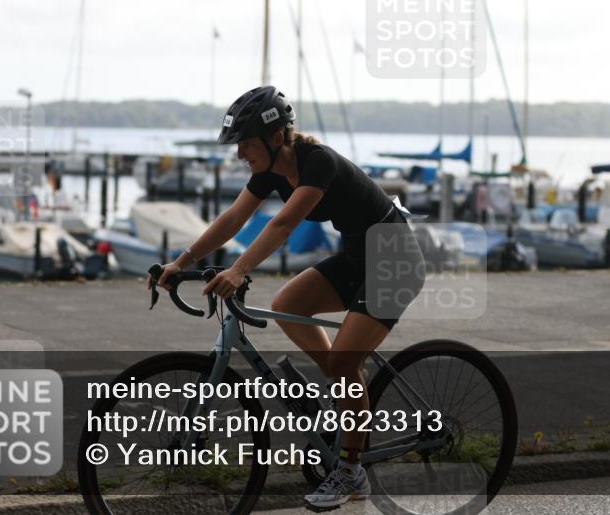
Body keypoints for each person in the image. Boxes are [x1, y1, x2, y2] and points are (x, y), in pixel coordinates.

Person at [149, 85, 425, 510]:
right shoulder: (271, 171)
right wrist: (181, 261)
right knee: (286, 306)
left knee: (343, 364)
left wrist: (239, 269)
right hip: (358, 258)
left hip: (396, 262)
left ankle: (352, 472)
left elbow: (283, 226)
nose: (239, 152)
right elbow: (234, 217)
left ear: (276, 136)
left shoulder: (319, 162)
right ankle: (345, 396)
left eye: (245, 143)